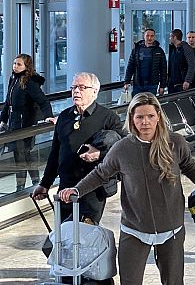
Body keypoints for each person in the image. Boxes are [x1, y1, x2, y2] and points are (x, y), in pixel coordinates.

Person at [58, 92, 195, 285]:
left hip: (171, 228)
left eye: (150, 116)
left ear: (158, 116)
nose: (145, 122)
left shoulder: (175, 142)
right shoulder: (122, 148)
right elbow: (100, 174)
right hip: (134, 227)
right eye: (139, 117)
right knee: (130, 281)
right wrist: (77, 190)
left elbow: (189, 166)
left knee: (174, 281)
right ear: (132, 119)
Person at [33, 72, 126, 223]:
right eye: (74, 87)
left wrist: (100, 155)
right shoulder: (64, 116)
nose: (76, 91)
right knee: (64, 234)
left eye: (82, 87)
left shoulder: (108, 117)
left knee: (84, 236)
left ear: (94, 91)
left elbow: (123, 150)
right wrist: (45, 184)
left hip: (93, 189)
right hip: (65, 187)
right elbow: (55, 153)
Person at [0, 54, 54, 191]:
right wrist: (3, 119)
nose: (15, 67)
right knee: (24, 154)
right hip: (14, 122)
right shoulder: (14, 79)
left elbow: (43, 101)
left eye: (19, 64)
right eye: (14, 64)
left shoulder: (29, 82)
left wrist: (49, 116)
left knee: (21, 154)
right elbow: (8, 102)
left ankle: (21, 187)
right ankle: (35, 181)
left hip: (24, 124)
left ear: (26, 66)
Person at [123, 28, 168, 96]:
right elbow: (130, 66)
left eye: (152, 36)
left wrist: (162, 86)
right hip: (138, 84)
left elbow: (163, 69)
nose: (149, 38)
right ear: (144, 36)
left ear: (154, 37)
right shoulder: (137, 50)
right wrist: (127, 81)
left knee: (150, 105)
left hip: (152, 85)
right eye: (147, 35)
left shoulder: (159, 51)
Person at [167, 28, 195, 93]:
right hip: (172, 83)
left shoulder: (186, 48)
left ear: (174, 37)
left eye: (170, 36)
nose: (169, 38)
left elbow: (192, 65)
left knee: (183, 102)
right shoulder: (172, 49)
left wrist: (187, 80)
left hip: (182, 83)